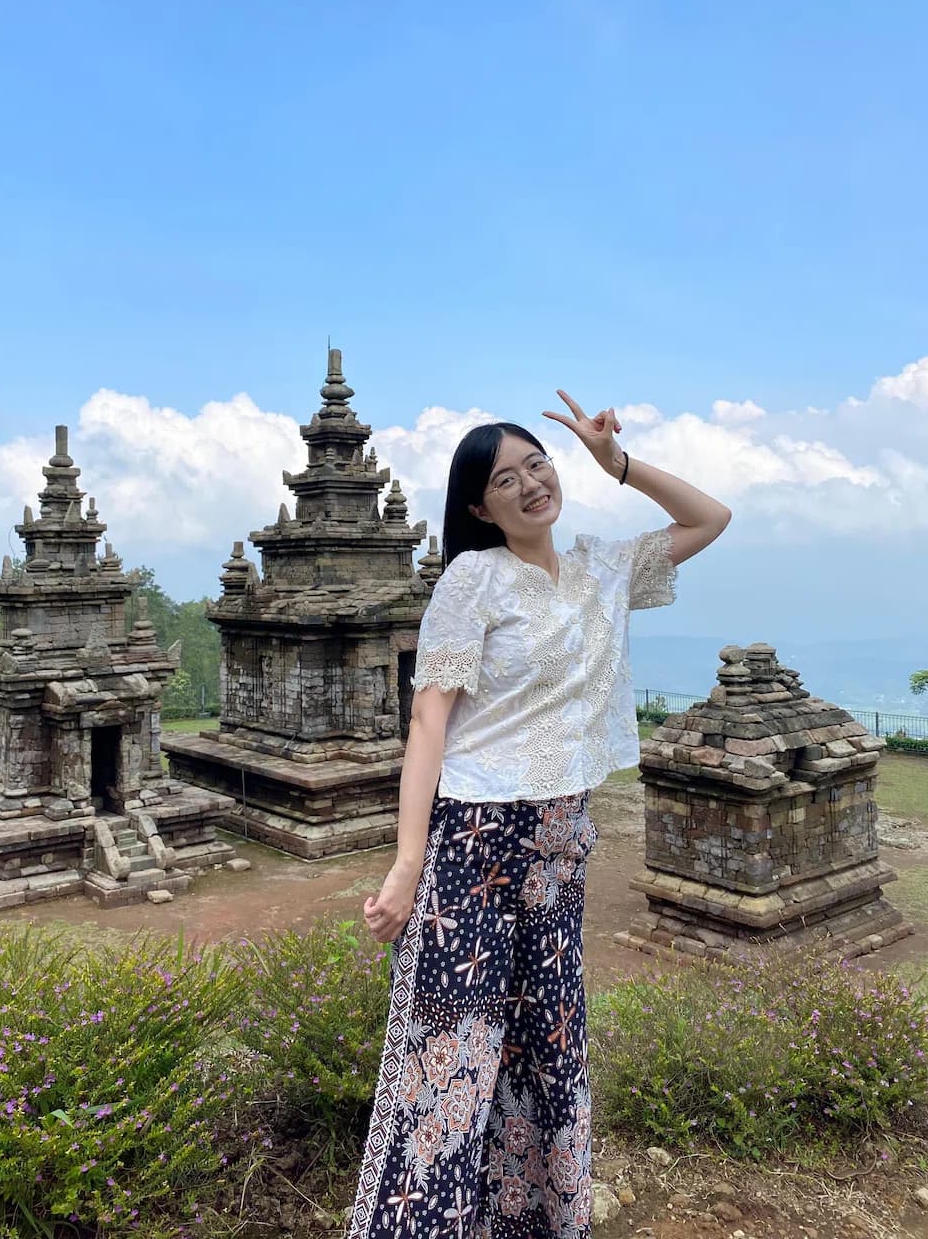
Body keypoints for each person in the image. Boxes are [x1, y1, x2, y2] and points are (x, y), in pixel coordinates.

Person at [347, 392, 731, 1239]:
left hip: (560, 844)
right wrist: (409, 865)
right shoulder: (473, 578)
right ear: (479, 508)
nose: (529, 486)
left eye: (536, 465)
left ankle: (529, 1222)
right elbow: (429, 720)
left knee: (544, 1040)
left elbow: (711, 517)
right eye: (504, 480)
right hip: (476, 842)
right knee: (451, 1057)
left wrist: (613, 461)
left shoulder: (602, 566)